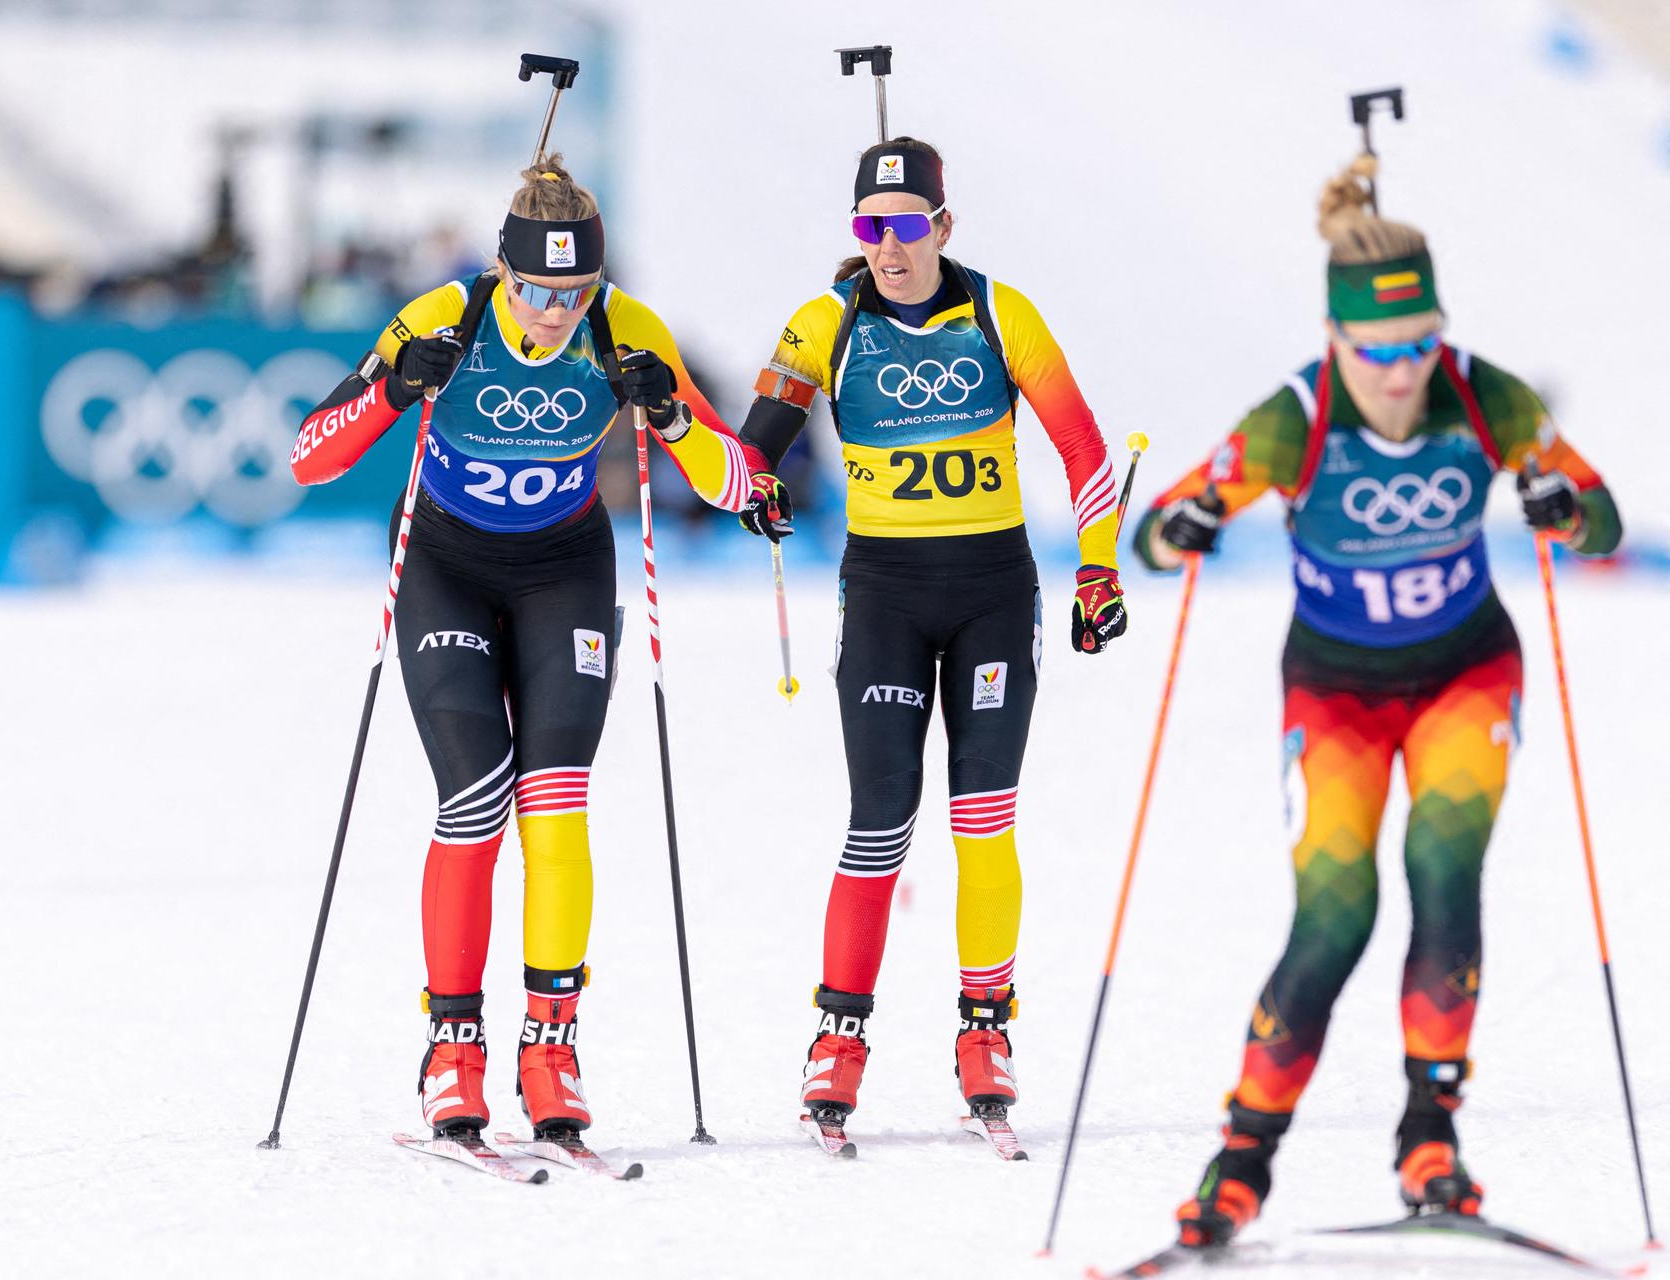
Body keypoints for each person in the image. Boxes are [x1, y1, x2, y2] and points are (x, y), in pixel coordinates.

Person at [1132, 156, 1623, 1247]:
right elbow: (1151, 533)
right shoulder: (1290, 419)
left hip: (1464, 673)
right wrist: (1181, 529)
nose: (1402, 374)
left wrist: (1563, 505)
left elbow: (1603, 517)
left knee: (1444, 876)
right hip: (1336, 690)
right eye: (1377, 351)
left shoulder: (1486, 392)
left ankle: (1429, 1135)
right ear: (1335, 337)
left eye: (1419, 345)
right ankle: (1241, 1159)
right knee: (1335, 913)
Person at [290, 154, 761, 1141]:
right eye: (536, 290)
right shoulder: (443, 318)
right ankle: (452, 1044)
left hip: (564, 572)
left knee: (554, 798)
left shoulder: (625, 329)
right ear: (502, 275)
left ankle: (551, 1043)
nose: (553, 312)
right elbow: (309, 455)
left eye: (573, 291)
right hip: (445, 564)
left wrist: (669, 413)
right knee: (473, 794)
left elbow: (742, 489)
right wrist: (390, 392)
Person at [732, 136, 1129, 1127]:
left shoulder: (1002, 312)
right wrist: (759, 491)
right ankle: (840, 1033)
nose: (889, 247)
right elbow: (751, 453)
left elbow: (1081, 446)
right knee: (880, 821)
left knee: (982, 819)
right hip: (886, 599)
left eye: (907, 227)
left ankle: (985, 1024)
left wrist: (1098, 569)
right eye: (871, 228)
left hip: (994, 591)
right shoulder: (824, 321)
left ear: (943, 226)